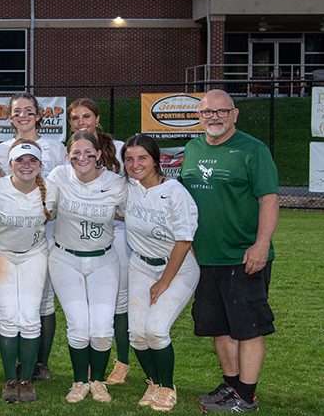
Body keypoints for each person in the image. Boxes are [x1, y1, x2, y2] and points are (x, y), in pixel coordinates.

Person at [181, 90, 279, 413]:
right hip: (205, 257)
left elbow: (269, 199)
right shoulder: (192, 149)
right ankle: (231, 385)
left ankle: (246, 396)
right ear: (199, 117)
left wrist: (261, 244)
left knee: (247, 328)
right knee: (218, 326)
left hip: (243, 256)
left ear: (234, 114)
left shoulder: (253, 150)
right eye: (208, 112)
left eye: (222, 111)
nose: (215, 117)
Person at [46, 130, 127, 403]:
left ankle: (98, 382)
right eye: (76, 153)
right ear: (67, 155)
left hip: (103, 260)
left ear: (99, 154)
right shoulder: (59, 176)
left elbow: (133, 212)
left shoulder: (115, 182)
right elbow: (43, 208)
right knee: (79, 325)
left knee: (102, 328)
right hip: (65, 259)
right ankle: (80, 381)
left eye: (88, 153)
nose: (82, 158)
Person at [122, 134, 200, 412]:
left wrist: (164, 281)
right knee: (136, 333)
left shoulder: (175, 192)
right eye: (129, 159)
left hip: (177, 268)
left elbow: (184, 240)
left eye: (142, 157)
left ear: (156, 160)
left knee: (155, 330)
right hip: (141, 265)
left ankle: (167, 387)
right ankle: (154, 384)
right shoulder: (128, 188)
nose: (135, 164)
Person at [0, 92, 66, 382]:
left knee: (43, 301)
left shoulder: (56, 147)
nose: (22, 116)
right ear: (9, 117)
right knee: (15, 303)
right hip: (13, 230)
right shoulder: (1, 148)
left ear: (39, 114)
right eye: (16, 112)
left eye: (28, 110)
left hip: (46, 230)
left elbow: (61, 187)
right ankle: (18, 363)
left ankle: (40, 363)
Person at [0, 139, 55, 404]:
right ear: (10, 164)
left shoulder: (51, 190)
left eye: (32, 160)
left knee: (30, 317)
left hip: (33, 255)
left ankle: (25, 379)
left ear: (40, 165)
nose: (26, 165)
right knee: (9, 315)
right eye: (20, 160)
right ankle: (9, 380)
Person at [68, 97, 131, 385]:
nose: (81, 122)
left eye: (86, 116)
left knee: (118, 301)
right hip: (82, 235)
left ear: (97, 119)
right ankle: (93, 361)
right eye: (75, 118)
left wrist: (109, 212)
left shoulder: (117, 147)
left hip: (117, 232)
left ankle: (122, 362)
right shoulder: (70, 152)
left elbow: (131, 191)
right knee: (88, 302)